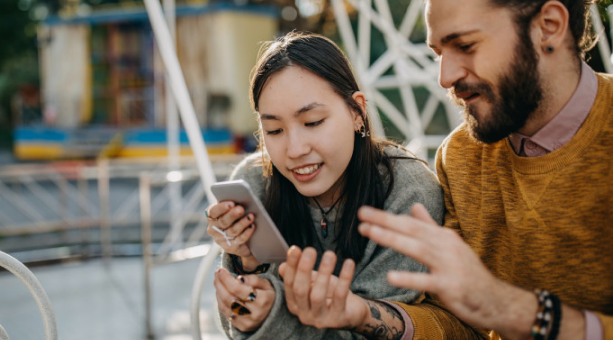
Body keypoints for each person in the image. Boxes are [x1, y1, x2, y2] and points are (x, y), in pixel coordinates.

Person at [354, 0, 613, 339]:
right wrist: (361, 314)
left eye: (465, 46)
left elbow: (494, 308)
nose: (445, 77)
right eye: (438, 53)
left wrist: (513, 310)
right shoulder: (460, 156)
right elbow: (462, 325)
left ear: (548, 26)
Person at [205, 31, 449, 339]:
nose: (294, 150)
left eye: (313, 122)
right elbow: (235, 327)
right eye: (274, 130)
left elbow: (373, 331)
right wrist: (247, 265)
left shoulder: (407, 193)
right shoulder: (255, 182)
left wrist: (274, 318)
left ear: (357, 112)